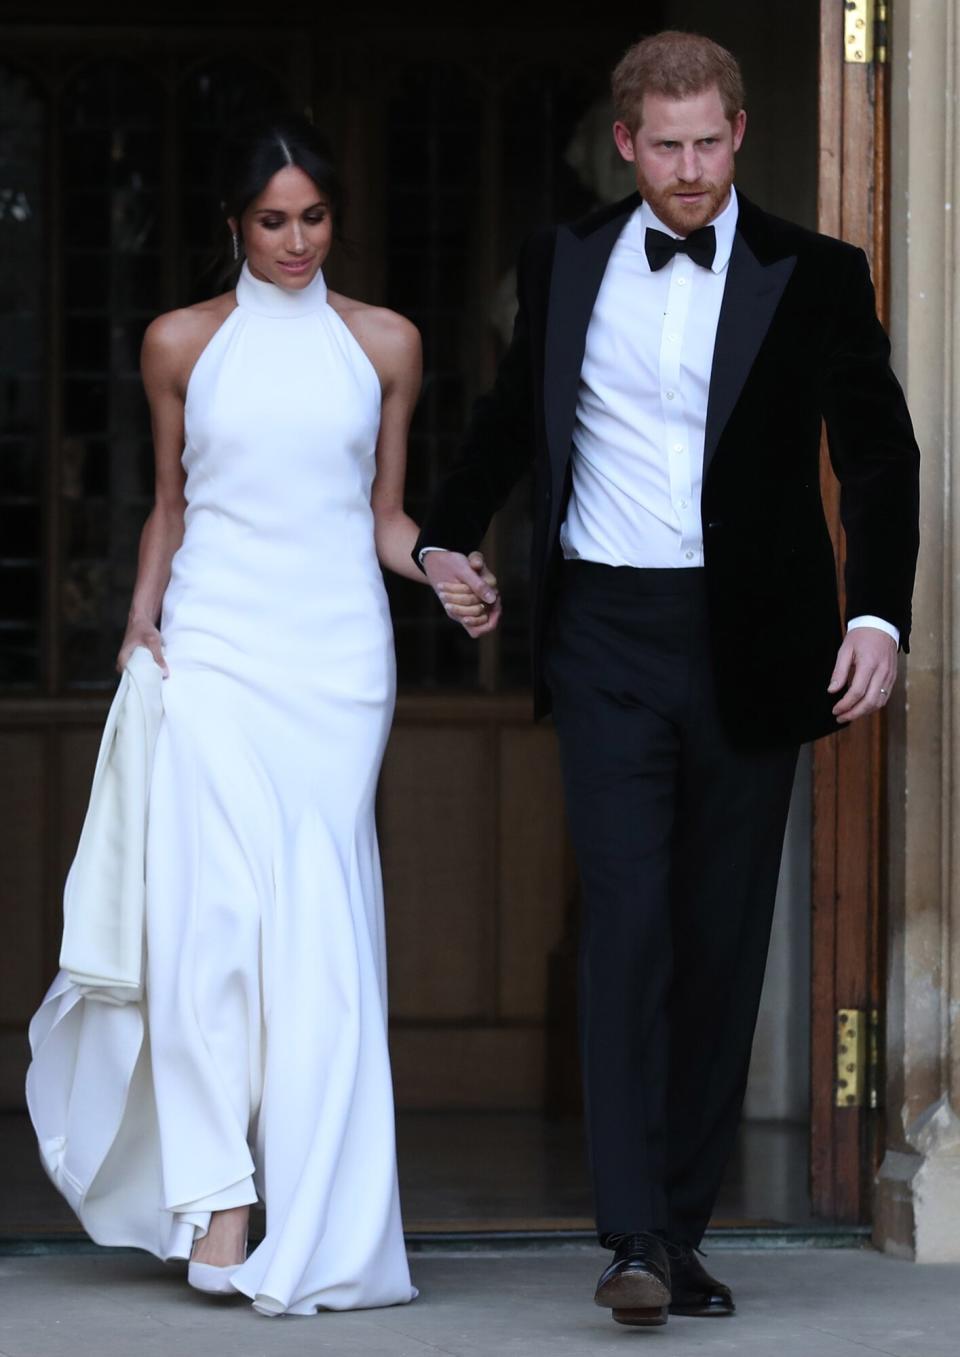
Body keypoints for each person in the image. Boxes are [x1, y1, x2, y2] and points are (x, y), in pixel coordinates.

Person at [416, 31, 920, 1329]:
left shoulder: (817, 276)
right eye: (666, 145)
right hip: (608, 637)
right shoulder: (568, 259)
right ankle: (631, 1234)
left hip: (756, 641)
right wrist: (442, 535)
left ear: (740, 134)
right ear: (627, 142)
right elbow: (506, 423)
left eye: (710, 143)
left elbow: (879, 459)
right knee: (631, 924)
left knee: (718, 943)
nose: (690, 170)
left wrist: (876, 614)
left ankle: (680, 1234)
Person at [28, 114, 484, 1316]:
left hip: (337, 664)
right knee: (211, 927)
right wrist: (138, 624)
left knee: (320, 936)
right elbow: (171, 503)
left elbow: (382, 515)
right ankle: (221, 1198)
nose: (294, 240)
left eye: (314, 217)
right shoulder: (180, 340)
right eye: (272, 219)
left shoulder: (384, 342)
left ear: (338, 220)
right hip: (216, 648)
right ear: (234, 223)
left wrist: (437, 562)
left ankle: (322, 1211)